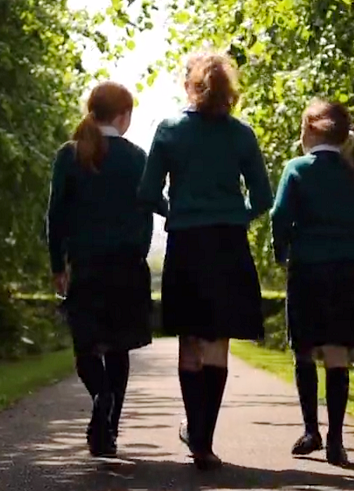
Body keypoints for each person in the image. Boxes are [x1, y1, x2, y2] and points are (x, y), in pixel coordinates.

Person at [138, 51, 273, 470]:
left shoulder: (170, 129)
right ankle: (204, 439)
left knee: (190, 340)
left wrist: (175, 211)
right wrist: (236, 215)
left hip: (187, 243)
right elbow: (263, 196)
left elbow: (147, 192)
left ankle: (196, 435)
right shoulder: (241, 134)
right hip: (228, 243)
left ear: (189, 86)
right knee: (217, 342)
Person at [270, 99, 354, 465]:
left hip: (306, 271)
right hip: (346, 274)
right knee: (338, 354)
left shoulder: (296, 169)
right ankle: (337, 439)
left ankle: (311, 431)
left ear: (309, 131)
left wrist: (281, 252)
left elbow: (279, 215)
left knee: (304, 351)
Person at [45, 81, 155, 458]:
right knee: (118, 350)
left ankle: (100, 396)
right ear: (124, 115)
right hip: (126, 267)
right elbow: (146, 215)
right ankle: (108, 432)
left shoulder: (70, 154)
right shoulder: (137, 157)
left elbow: (56, 216)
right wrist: (139, 252)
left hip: (86, 266)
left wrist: (57, 265)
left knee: (86, 350)